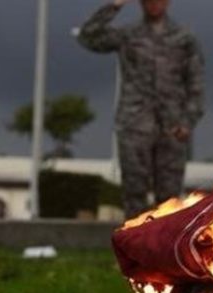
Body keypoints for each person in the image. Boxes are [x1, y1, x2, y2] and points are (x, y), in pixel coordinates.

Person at [78, 0, 205, 218]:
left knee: (169, 200)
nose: (154, 4)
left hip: (172, 128)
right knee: (134, 194)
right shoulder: (128, 34)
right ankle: (134, 250)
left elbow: (196, 83)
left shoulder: (184, 38)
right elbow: (87, 36)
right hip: (135, 125)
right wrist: (114, 6)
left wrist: (188, 121)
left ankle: (163, 251)